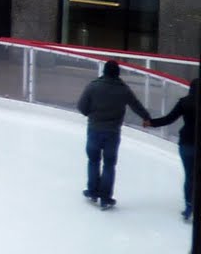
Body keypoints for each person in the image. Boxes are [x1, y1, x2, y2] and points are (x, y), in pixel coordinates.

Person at [77, 59, 150, 210]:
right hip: (113, 132)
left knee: (93, 161)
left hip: (94, 129)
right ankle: (105, 198)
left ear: (104, 72)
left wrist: (91, 114)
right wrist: (146, 117)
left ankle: (92, 191)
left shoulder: (93, 86)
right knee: (109, 165)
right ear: (117, 73)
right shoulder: (123, 90)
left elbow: (81, 106)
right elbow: (136, 105)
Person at [147, 77, 198, 222]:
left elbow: (168, 119)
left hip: (187, 143)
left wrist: (151, 122)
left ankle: (189, 206)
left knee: (190, 176)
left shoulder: (184, 102)